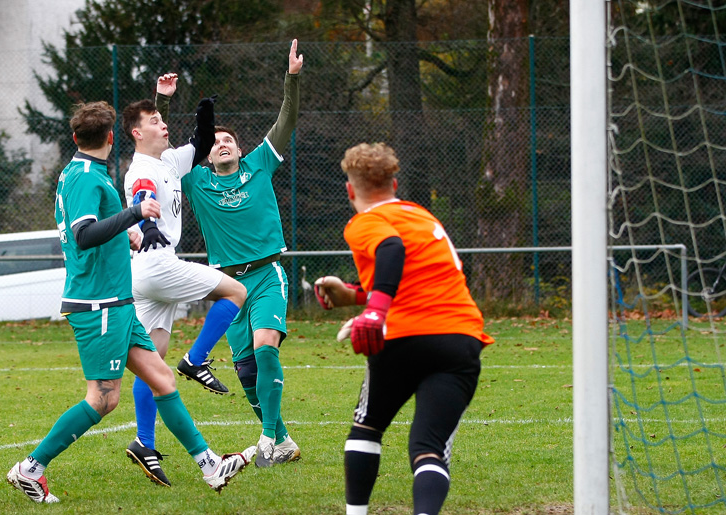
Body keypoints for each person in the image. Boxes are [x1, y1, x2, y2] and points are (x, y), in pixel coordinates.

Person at [6, 101, 253, 504]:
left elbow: (94, 232)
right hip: (97, 304)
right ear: (110, 138)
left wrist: (127, 232)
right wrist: (134, 214)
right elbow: (84, 234)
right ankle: (29, 470)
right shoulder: (87, 178)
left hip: (116, 300)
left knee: (162, 379)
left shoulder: (77, 172)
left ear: (74, 138)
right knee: (103, 399)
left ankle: (210, 465)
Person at [313, 142, 494, 515]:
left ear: (350, 190)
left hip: (401, 336)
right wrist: (352, 296)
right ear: (395, 184)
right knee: (428, 448)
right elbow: (414, 276)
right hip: (459, 338)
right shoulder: (422, 216)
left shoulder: (363, 222)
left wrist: (375, 312)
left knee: (367, 429)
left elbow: (391, 250)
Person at [120, 73, 249, 487]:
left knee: (151, 364)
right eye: (155, 119)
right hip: (158, 265)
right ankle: (196, 358)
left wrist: (204, 114)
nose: (163, 123)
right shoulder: (140, 168)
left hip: (147, 273)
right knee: (236, 290)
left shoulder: (169, 161)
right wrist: (144, 215)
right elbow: (141, 194)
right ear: (137, 133)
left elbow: (202, 140)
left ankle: (144, 441)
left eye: (163, 117)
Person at [182, 39, 304, 467]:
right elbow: (162, 157)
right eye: (215, 141)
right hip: (228, 285)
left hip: (267, 274)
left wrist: (291, 78)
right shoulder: (195, 182)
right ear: (206, 154)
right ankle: (284, 440)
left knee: (266, 347)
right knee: (247, 371)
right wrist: (163, 102)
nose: (224, 143)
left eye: (229, 138)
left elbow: (286, 121)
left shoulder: (259, 164)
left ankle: (268, 437)